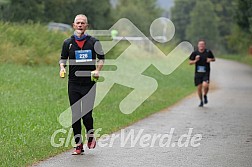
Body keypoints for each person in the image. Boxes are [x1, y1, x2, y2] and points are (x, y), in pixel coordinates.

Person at [59, 14, 104, 155]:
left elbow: (101, 58)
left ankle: (90, 134)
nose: (80, 25)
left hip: (89, 84)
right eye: (78, 23)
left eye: (82, 23)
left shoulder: (94, 42)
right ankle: (78, 145)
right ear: (73, 25)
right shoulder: (68, 43)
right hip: (73, 83)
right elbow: (62, 58)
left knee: (87, 115)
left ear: (86, 26)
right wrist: (62, 67)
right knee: (76, 115)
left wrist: (97, 70)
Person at [189, 40, 215, 107]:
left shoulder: (208, 52)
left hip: (206, 72)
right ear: (198, 45)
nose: (201, 46)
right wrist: (195, 60)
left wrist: (210, 60)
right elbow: (190, 62)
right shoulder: (195, 53)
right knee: (199, 88)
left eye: (202, 44)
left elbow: (213, 59)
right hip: (198, 73)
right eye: (200, 44)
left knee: (205, 85)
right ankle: (201, 101)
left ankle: (205, 95)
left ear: (204, 45)